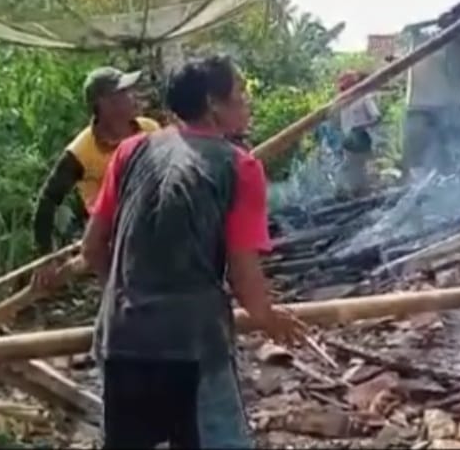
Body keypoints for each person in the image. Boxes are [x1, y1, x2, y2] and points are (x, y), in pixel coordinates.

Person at [78, 55, 305, 448]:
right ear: (213, 104)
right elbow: (243, 277)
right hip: (192, 344)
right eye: (239, 93)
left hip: (121, 338)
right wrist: (268, 317)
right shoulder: (240, 167)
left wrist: (126, 294)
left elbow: (91, 248)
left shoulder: (130, 151)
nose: (246, 101)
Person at [31, 66, 160, 287]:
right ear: (104, 104)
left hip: (154, 225)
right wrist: (46, 257)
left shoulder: (150, 130)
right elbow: (48, 200)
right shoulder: (81, 152)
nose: (133, 97)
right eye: (124, 93)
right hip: (111, 239)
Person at [337, 70, 382, 198]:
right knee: (351, 173)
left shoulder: (364, 98)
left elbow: (377, 117)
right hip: (349, 143)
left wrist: (361, 127)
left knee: (363, 172)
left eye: (346, 83)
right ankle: (357, 196)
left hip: (362, 140)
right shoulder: (342, 103)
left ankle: (369, 197)